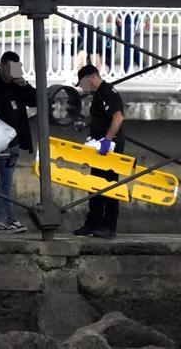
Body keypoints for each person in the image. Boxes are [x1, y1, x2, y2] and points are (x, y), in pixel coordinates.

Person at [0, 51, 37, 233]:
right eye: (10, 68)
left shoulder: (17, 86)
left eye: (16, 69)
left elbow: (35, 101)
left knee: (4, 180)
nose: (12, 73)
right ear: (2, 65)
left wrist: (25, 86)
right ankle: (9, 218)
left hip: (14, 140)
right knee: (5, 181)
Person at [73, 65, 125, 239]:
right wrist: (85, 124)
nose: (82, 88)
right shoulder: (99, 94)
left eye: (82, 83)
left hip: (110, 146)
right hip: (99, 145)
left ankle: (108, 226)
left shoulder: (108, 92)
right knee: (94, 185)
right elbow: (100, 117)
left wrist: (108, 140)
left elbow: (118, 117)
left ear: (92, 77)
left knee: (109, 184)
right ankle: (92, 224)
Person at [73, 0, 115, 73]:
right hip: (90, 24)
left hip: (80, 23)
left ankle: (93, 71)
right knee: (91, 49)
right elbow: (108, 3)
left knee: (88, 48)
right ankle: (94, 72)